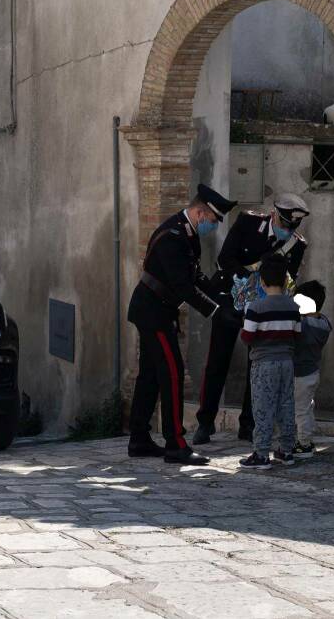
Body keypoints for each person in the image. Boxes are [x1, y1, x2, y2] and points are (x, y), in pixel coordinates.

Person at [127, 183, 238, 465]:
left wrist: (222, 300)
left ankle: (139, 438)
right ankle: (175, 443)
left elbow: (197, 276)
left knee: (151, 375)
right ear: (201, 213)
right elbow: (183, 286)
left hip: (159, 311)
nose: (212, 227)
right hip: (153, 312)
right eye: (212, 221)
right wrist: (215, 312)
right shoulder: (173, 236)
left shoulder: (187, 234)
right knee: (173, 373)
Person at [194, 192, 310, 445]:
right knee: (217, 361)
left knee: (256, 367)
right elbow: (225, 259)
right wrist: (248, 284)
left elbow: (288, 281)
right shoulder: (247, 223)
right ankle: (205, 423)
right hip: (230, 300)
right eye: (283, 225)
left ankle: (249, 424)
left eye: (291, 228)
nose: (286, 231)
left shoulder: (297, 244)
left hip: (262, 308)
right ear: (273, 215)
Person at [238, 255, 301, 470]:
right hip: (286, 362)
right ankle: (286, 450)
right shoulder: (293, 307)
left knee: (263, 407)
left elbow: (247, 337)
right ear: (285, 281)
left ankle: (261, 453)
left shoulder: (255, 307)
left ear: (262, 282)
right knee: (286, 405)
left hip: (263, 364)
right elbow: (297, 334)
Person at [291, 280, 332, 459]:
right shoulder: (323, 323)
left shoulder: (304, 326)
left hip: (300, 373)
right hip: (313, 371)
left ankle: (304, 444)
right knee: (307, 407)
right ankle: (307, 439)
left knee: (300, 410)